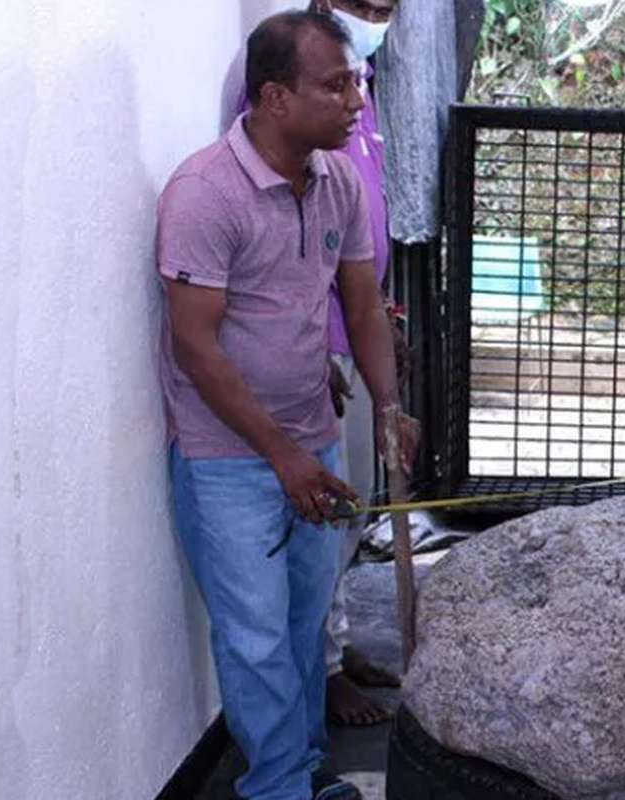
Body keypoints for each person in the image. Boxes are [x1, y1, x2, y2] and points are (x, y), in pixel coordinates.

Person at [159, 11, 417, 799]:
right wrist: (282, 457)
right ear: (274, 98)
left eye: (357, 83)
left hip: (313, 442)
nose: (356, 103)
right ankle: (276, 790)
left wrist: (390, 405)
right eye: (336, 86)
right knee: (257, 638)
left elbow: (364, 304)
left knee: (304, 630)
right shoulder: (204, 194)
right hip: (229, 461)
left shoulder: (337, 179)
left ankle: (301, 776)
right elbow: (194, 347)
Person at [223, 0, 405, 728]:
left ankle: (334, 647)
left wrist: (383, 360)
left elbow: (354, 232)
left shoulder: (349, 75)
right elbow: (275, 234)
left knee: (348, 503)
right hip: (312, 344)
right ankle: (322, 672)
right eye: (368, 5)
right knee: (317, 513)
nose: (381, 15)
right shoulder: (288, 67)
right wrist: (319, 344)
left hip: (355, 324)